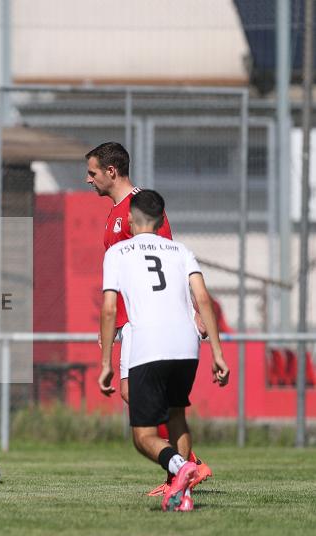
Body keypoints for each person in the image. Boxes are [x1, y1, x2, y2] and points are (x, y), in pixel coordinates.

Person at [85, 142, 212, 496]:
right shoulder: (115, 212)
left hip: (149, 326)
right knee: (132, 393)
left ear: (111, 172)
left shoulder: (141, 208)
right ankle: (185, 465)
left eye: (92, 172)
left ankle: (184, 471)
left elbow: (171, 264)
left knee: (159, 404)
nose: (88, 179)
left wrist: (194, 311)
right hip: (129, 322)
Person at [97, 189, 229, 511]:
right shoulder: (181, 251)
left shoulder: (118, 252)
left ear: (129, 218)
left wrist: (105, 363)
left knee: (143, 438)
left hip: (149, 345)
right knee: (176, 416)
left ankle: (181, 468)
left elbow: (110, 310)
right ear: (160, 219)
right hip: (187, 346)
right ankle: (181, 493)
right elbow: (202, 299)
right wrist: (218, 352)